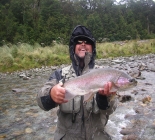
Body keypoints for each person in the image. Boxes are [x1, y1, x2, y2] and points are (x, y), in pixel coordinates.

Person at [36, 25, 118, 140]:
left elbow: (112, 109)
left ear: (93, 48)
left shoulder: (104, 74)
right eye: (79, 41)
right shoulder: (60, 75)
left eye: (87, 42)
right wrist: (51, 95)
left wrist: (103, 98)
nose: (83, 44)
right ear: (73, 47)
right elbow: (41, 102)